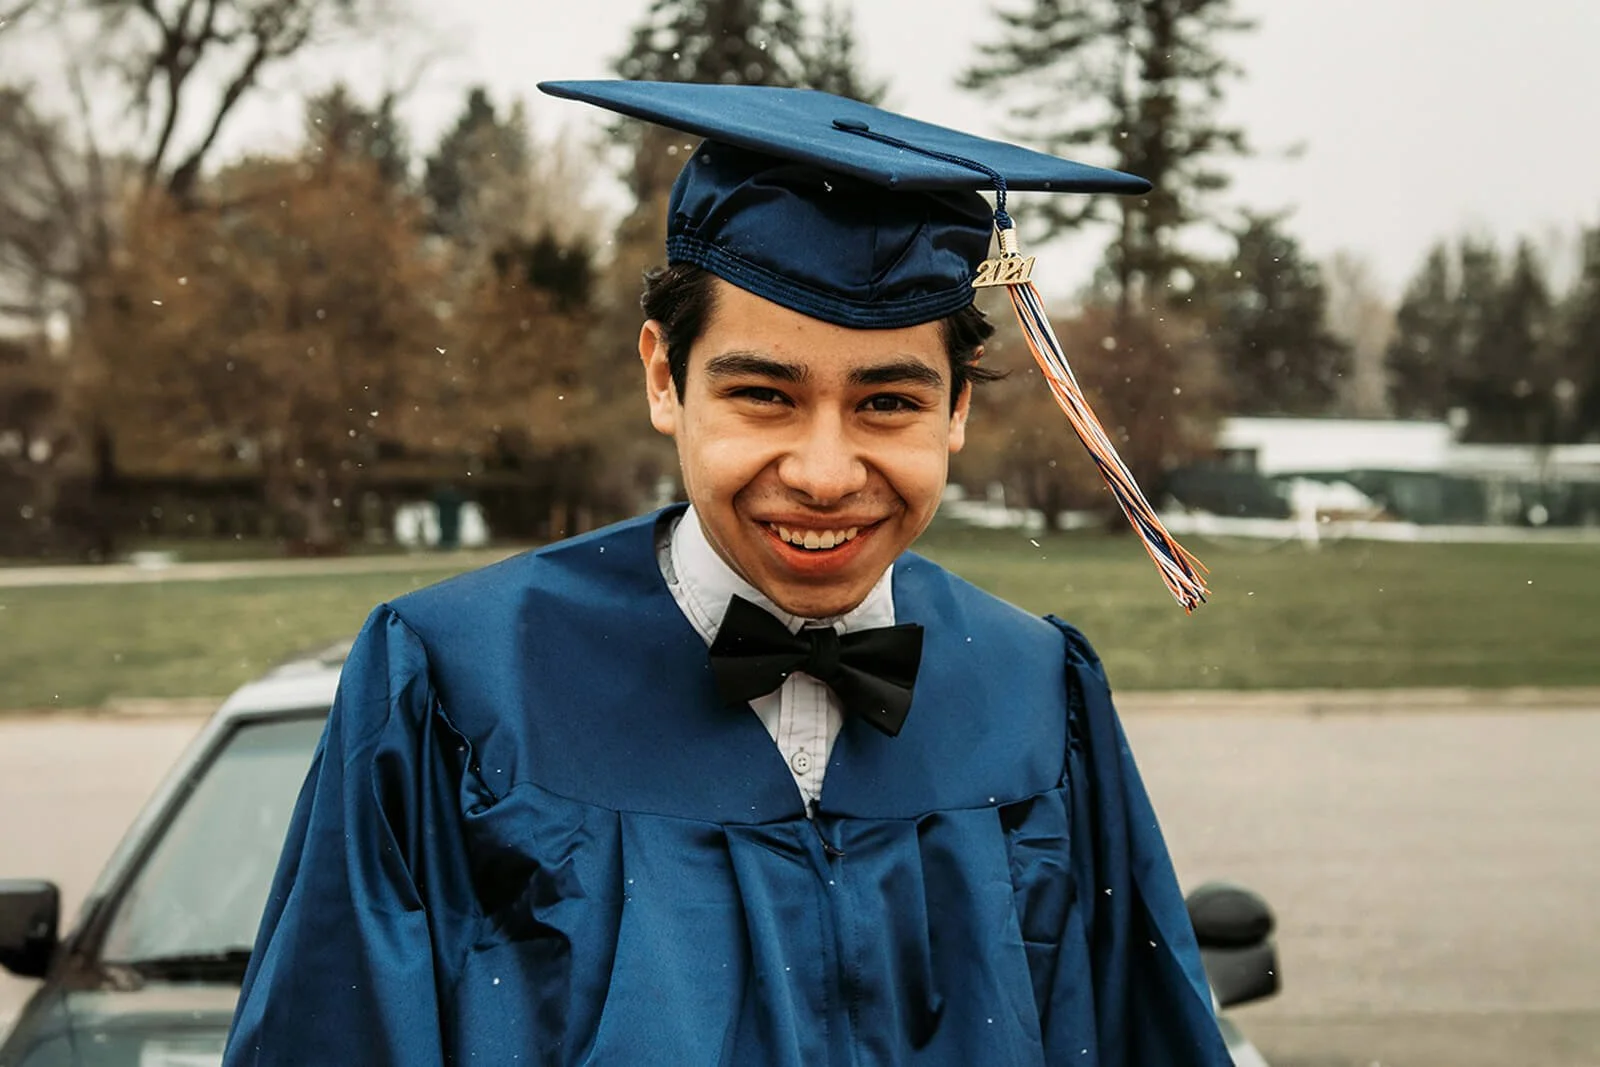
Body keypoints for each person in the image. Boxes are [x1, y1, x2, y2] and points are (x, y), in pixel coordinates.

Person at [223, 81, 1230, 1066]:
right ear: (664, 376)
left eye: (887, 402)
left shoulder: (1033, 698)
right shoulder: (463, 687)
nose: (825, 474)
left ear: (957, 408)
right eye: (763, 394)